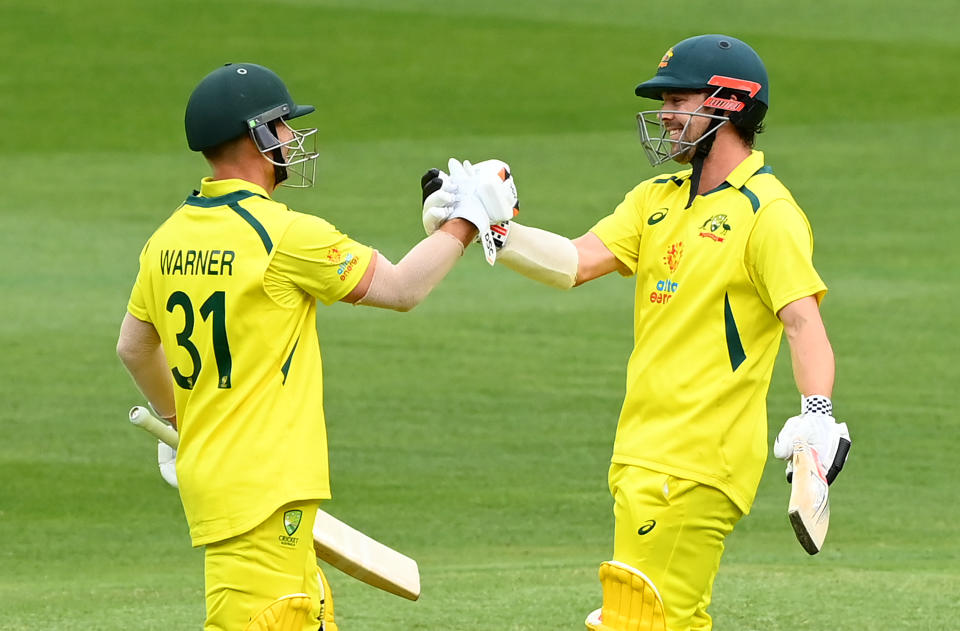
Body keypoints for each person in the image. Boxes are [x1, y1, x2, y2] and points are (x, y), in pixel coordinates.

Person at [424, 35, 851, 631]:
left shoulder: (767, 211)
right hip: (639, 451)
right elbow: (575, 262)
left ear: (729, 104)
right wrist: (486, 225)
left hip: (702, 456)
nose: (666, 116)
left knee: (642, 619)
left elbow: (803, 320)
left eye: (679, 101)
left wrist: (817, 414)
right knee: (663, 619)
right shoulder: (656, 199)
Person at [116, 62, 508, 631]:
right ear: (257, 136)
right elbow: (402, 289)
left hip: (233, 485)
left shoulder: (166, 239)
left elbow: (134, 347)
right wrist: (466, 223)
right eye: (283, 127)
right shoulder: (281, 233)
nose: (292, 139)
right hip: (264, 490)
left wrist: (177, 417)